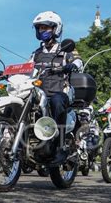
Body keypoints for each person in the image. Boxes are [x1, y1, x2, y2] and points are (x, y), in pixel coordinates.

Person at [30, 11, 83, 165]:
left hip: (60, 90)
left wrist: (70, 66)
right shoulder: (37, 53)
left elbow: (79, 61)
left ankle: (60, 146)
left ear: (55, 29)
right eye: (40, 28)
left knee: (57, 102)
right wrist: (8, 72)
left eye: (46, 27)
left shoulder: (65, 48)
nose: (43, 31)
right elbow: (27, 68)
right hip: (40, 91)